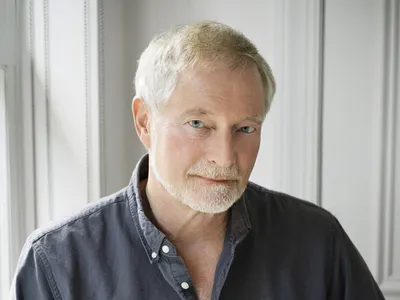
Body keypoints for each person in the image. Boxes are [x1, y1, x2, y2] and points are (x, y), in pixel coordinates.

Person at [11, 21, 384, 300]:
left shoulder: (318, 242)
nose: (225, 157)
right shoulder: (56, 261)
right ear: (144, 121)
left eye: (245, 129)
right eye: (198, 124)